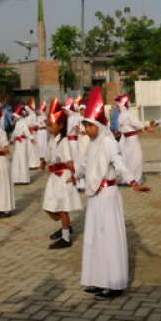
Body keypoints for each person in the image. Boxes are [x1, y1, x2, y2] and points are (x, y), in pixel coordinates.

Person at [79, 87, 150, 300]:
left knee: (108, 238)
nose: (87, 130)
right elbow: (85, 165)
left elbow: (120, 165)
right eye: (85, 125)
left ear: (99, 125)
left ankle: (114, 282)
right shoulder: (92, 144)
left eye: (89, 126)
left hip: (108, 195)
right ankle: (97, 279)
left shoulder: (109, 142)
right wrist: (72, 174)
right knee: (94, 238)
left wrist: (133, 182)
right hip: (94, 197)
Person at [40, 98, 82, 249]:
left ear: (61, 125)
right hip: (53, 178)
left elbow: (70, 162)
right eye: (48, 125)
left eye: (52, 125)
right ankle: (66, 226)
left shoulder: (64, 142)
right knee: (49, 207)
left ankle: (66, 237)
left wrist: (74, 176)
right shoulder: (52, 140)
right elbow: (48, 154)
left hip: (63, 177)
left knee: (63, 208)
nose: (49, 127)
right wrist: (44, 161)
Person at [114, 94, 147, 183]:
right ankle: (128, 178)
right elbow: (122, 128)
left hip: (132, 139)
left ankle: (135, 178)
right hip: (125, 139)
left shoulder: (128, 114)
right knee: (127, 158)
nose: (116, 107)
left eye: (117, 105)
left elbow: (138, 124)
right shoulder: (121, 115)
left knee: (135, 159)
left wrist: (144, 128)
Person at [10, 104, 31, 185]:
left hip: (22, 142)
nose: (14, 118)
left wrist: (31, 138)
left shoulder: (23, 123)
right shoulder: (17, 123)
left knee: (23, 158)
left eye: (15, 116)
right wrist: (12, 139)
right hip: (18, 143)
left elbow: (27, 132)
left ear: (19, 116)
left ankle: (24, 179)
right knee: (17, 159)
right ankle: (17, 178)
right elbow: (14, 133)